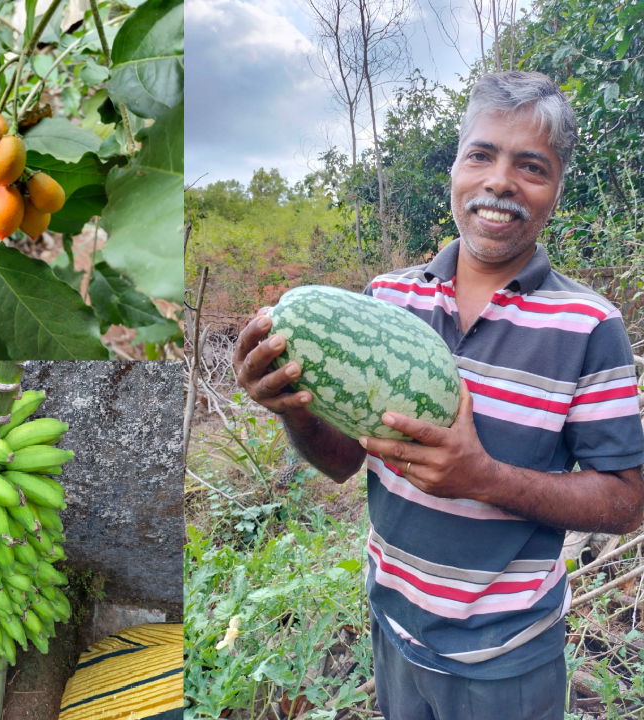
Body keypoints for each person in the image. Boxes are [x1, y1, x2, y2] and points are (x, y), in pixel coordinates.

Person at [234, 71, 644, 719]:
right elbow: (343, 461)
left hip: (508, 657)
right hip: (394, 632)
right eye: (481, 154)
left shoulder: (589, 326)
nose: (500, 180)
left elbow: (626, 504)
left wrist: (483, 477)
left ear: (556, 189)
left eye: (531, 165)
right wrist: (292, 407)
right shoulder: (385, 301)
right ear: (454, 168)